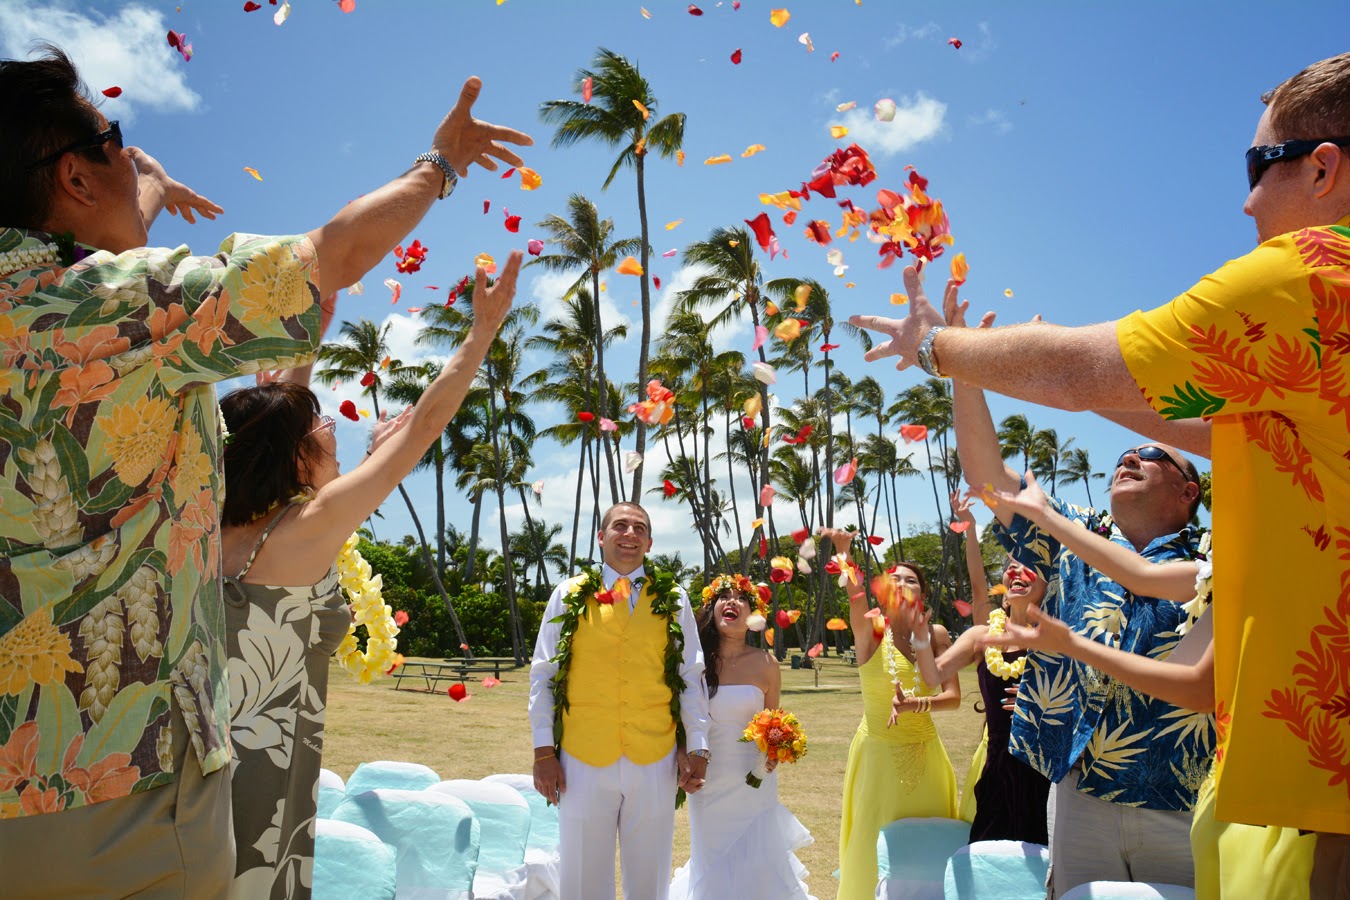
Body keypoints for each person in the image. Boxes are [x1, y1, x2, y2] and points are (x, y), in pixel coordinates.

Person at [0, 41, 530, 897]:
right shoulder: (111, 307)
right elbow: (329, 260)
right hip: (122, 793)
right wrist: (441, 165)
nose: (130, 158)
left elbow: (284, 372)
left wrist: (149, 189)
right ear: (71, 176)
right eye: (114, 139)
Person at [850, 51, 1350, 894]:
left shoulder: (1318, 275)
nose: (1246, 199)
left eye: (1258, 166)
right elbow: (1166, 414)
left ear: (1325, 166)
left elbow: (1083, 369)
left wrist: (937, 347)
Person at [218, 255, 519, 897]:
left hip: (206, 759)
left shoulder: (219, 531)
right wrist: (481, 335)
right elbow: (428, 425)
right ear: (296, 457)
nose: (333, 427)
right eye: (321, 424)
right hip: (267, 772)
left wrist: (307, 341)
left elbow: (276, 425)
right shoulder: (305, 528)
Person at [529, 502, 710, 900]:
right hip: (581, 757)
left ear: (649, 542)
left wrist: (698, 746)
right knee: (581, 874)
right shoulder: (569, 594)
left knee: (650, 875)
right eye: (620, 526)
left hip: (655, 754)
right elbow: (544, 675)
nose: (629, 534)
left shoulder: (674, 598)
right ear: (601, 536)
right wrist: (544, 751)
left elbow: (690, 677)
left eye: (639, 528)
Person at [901, 494, 1052, 845]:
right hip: (998, 767)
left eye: (1030, 567)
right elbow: (932, 676)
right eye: (1011, 566)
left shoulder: (1058, 640)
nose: (1017, 571)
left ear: (1047, 587)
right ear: (1003, 595)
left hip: (1044, 768)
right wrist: (922, 638)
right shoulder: (983, 635)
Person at [820, 528, 961, 900]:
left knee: (928, 850)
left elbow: (953, 697)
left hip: (928, 758)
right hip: (878, 760)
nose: (900, 583)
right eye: (893, 578)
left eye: (910, 579)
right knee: (875, 847)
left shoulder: (937, 633)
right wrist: (844, 554)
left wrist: (918, 704)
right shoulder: (871, 632)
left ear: (923, 593)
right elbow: (854, 597)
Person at [668, 574, 813, 900]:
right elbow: (680, 718)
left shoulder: (766, 664)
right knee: (712, 853)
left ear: (753, 615)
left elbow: (774, 720)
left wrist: (777, 749)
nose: (731, 602)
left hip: (754, 779)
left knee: (757, 854)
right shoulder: (695, 663)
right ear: (712, 607)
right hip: (708, 776)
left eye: (741, 598)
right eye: (724, 597)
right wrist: (681, 755)